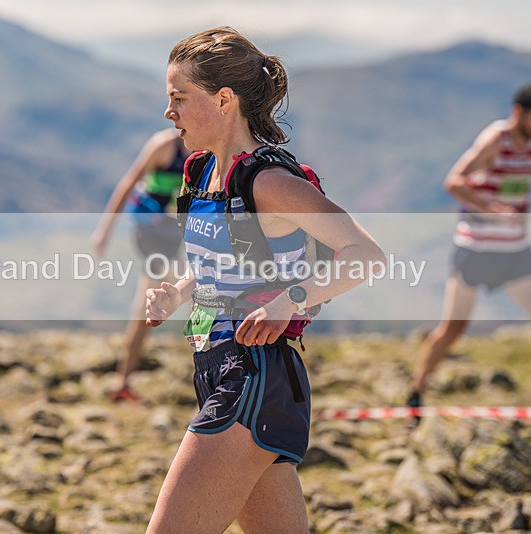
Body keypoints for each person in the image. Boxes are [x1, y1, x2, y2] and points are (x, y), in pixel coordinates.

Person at [144, 27, 386, 532]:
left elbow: (366, 255)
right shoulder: (201, 174)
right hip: (215, 366)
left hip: (253, 375)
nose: (169, 112)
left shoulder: (269, 183)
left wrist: (292, 301)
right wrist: (178, 294)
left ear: (224, 101)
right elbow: (227, 262)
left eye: (179, 98)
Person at [408, 83, 531, 414]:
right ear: (519, 112)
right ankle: (416, 390)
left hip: (516, 252)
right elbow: (454, 182)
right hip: (476, 250)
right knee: (453, 328)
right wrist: (491, 208)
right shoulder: (496, 139)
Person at [91, 128, 190, 403]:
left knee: (185, 294)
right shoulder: (164, 146)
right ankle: (123, 381)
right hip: (151, 231)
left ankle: (124, 381)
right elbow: (128, 184)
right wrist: (104, 231)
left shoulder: (207, 150)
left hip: (178, 231)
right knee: (155, 295)